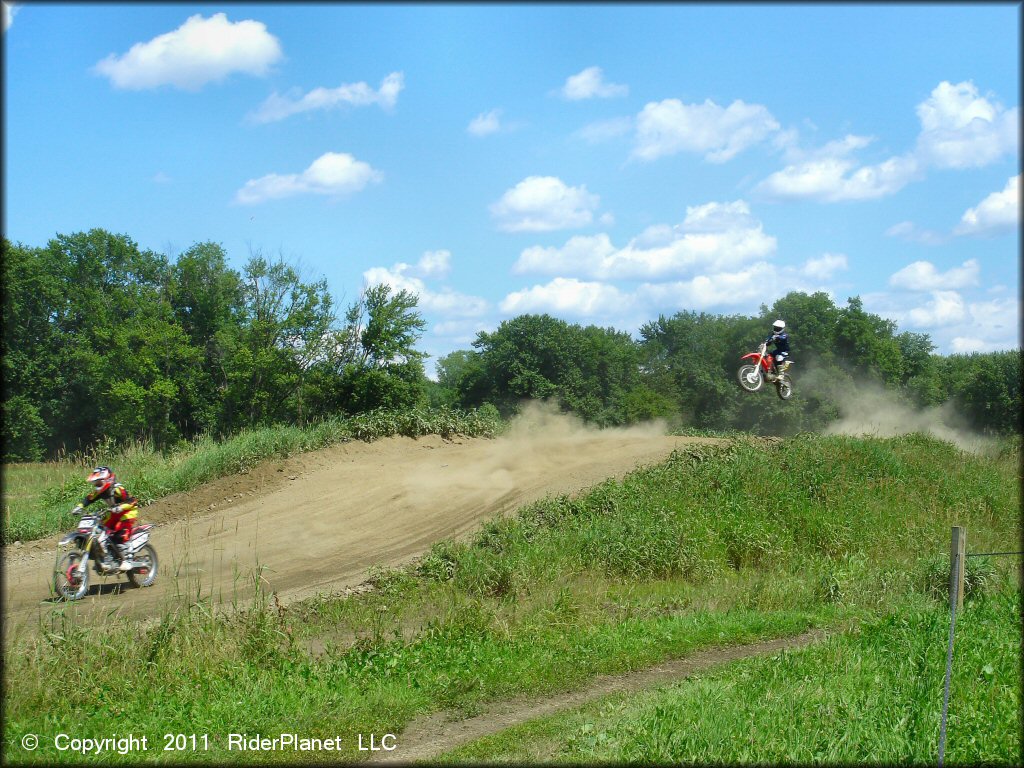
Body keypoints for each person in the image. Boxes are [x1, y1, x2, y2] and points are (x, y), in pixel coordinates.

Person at [71, 466, 140, 571]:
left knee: (121, 531)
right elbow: (89, 499)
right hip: (114, 512)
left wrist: (120, 507)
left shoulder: (117, 489)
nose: (96, 485)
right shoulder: (100, 492)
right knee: (101, 529)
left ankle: (128, 559)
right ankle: (106, 556)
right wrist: (79, 506)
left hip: (128, 511)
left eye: (98, 482)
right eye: (95, 483)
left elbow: (133, 501)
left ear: (107, 479)